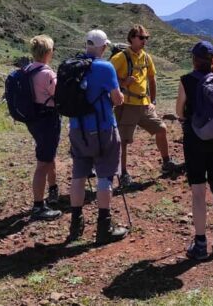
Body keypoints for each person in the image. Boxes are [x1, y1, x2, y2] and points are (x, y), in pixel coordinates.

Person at [66, 30, 128, 244]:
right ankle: (104, 226)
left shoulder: (71, 65)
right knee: (105, 176)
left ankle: (76, 223)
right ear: (103, 47)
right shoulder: (105, 67)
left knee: (79, 175)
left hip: (76, 129)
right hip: (102, 129)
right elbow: (117, 99)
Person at [176, 41, 213, 260]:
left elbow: (179, 110)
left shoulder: (186, 81)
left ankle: (200, 243)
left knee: (198, 192)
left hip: (195, 140)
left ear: (194, 60)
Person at [110, 24, 181, 189]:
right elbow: (107, 77)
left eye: (146, 38)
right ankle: (123, 174)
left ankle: (166, 162)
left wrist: (153, 101)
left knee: (161, 129)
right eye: (141, 37)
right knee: (123, 141)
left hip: (144, 104)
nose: (145, 41)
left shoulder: (146, 57)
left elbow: (152, 78)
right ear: (132, 38)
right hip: (126, 105)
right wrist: (122, 82)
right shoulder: (120, 57)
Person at [25, 35, 62, 221]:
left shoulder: (28, 70)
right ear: (49, 52)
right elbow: (60, 96)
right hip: (47, 119)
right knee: (43, 163)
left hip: (34, 119)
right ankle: (38, 206)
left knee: (48, 155)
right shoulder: (47, 74)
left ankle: (53, 190)